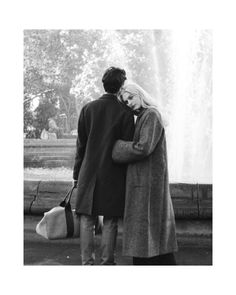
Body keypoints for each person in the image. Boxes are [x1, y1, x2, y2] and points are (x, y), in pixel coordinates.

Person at [73, 67, 135, 265]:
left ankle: (87, 263)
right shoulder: (125, 112)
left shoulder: (88, 108)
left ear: (103, 83)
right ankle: (107, 263)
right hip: (114, 173)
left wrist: (76, 175)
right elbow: (127, 147)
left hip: (88, 172)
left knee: (87, 219)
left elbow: (80, 146)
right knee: (110, 220)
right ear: (121, 86)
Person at [112, 82, 178, 265]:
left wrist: (117, 148)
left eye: (131, 98)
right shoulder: (144, 116)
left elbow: (143, 148)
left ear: (140, 94)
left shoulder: (151, 115)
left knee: (148, 236)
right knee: (152, 238)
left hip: (149, 183)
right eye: (126, 102)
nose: (129, 103)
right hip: (146, 181)